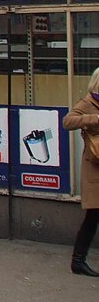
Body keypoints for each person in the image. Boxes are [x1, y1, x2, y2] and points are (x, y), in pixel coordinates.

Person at [63, 66, 99, 277]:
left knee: (93, 217)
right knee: (93, 217)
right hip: (95, 169)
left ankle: (78, 261)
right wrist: (94, 119)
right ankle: (78, 261)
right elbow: (68, 121)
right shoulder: (87, 103)